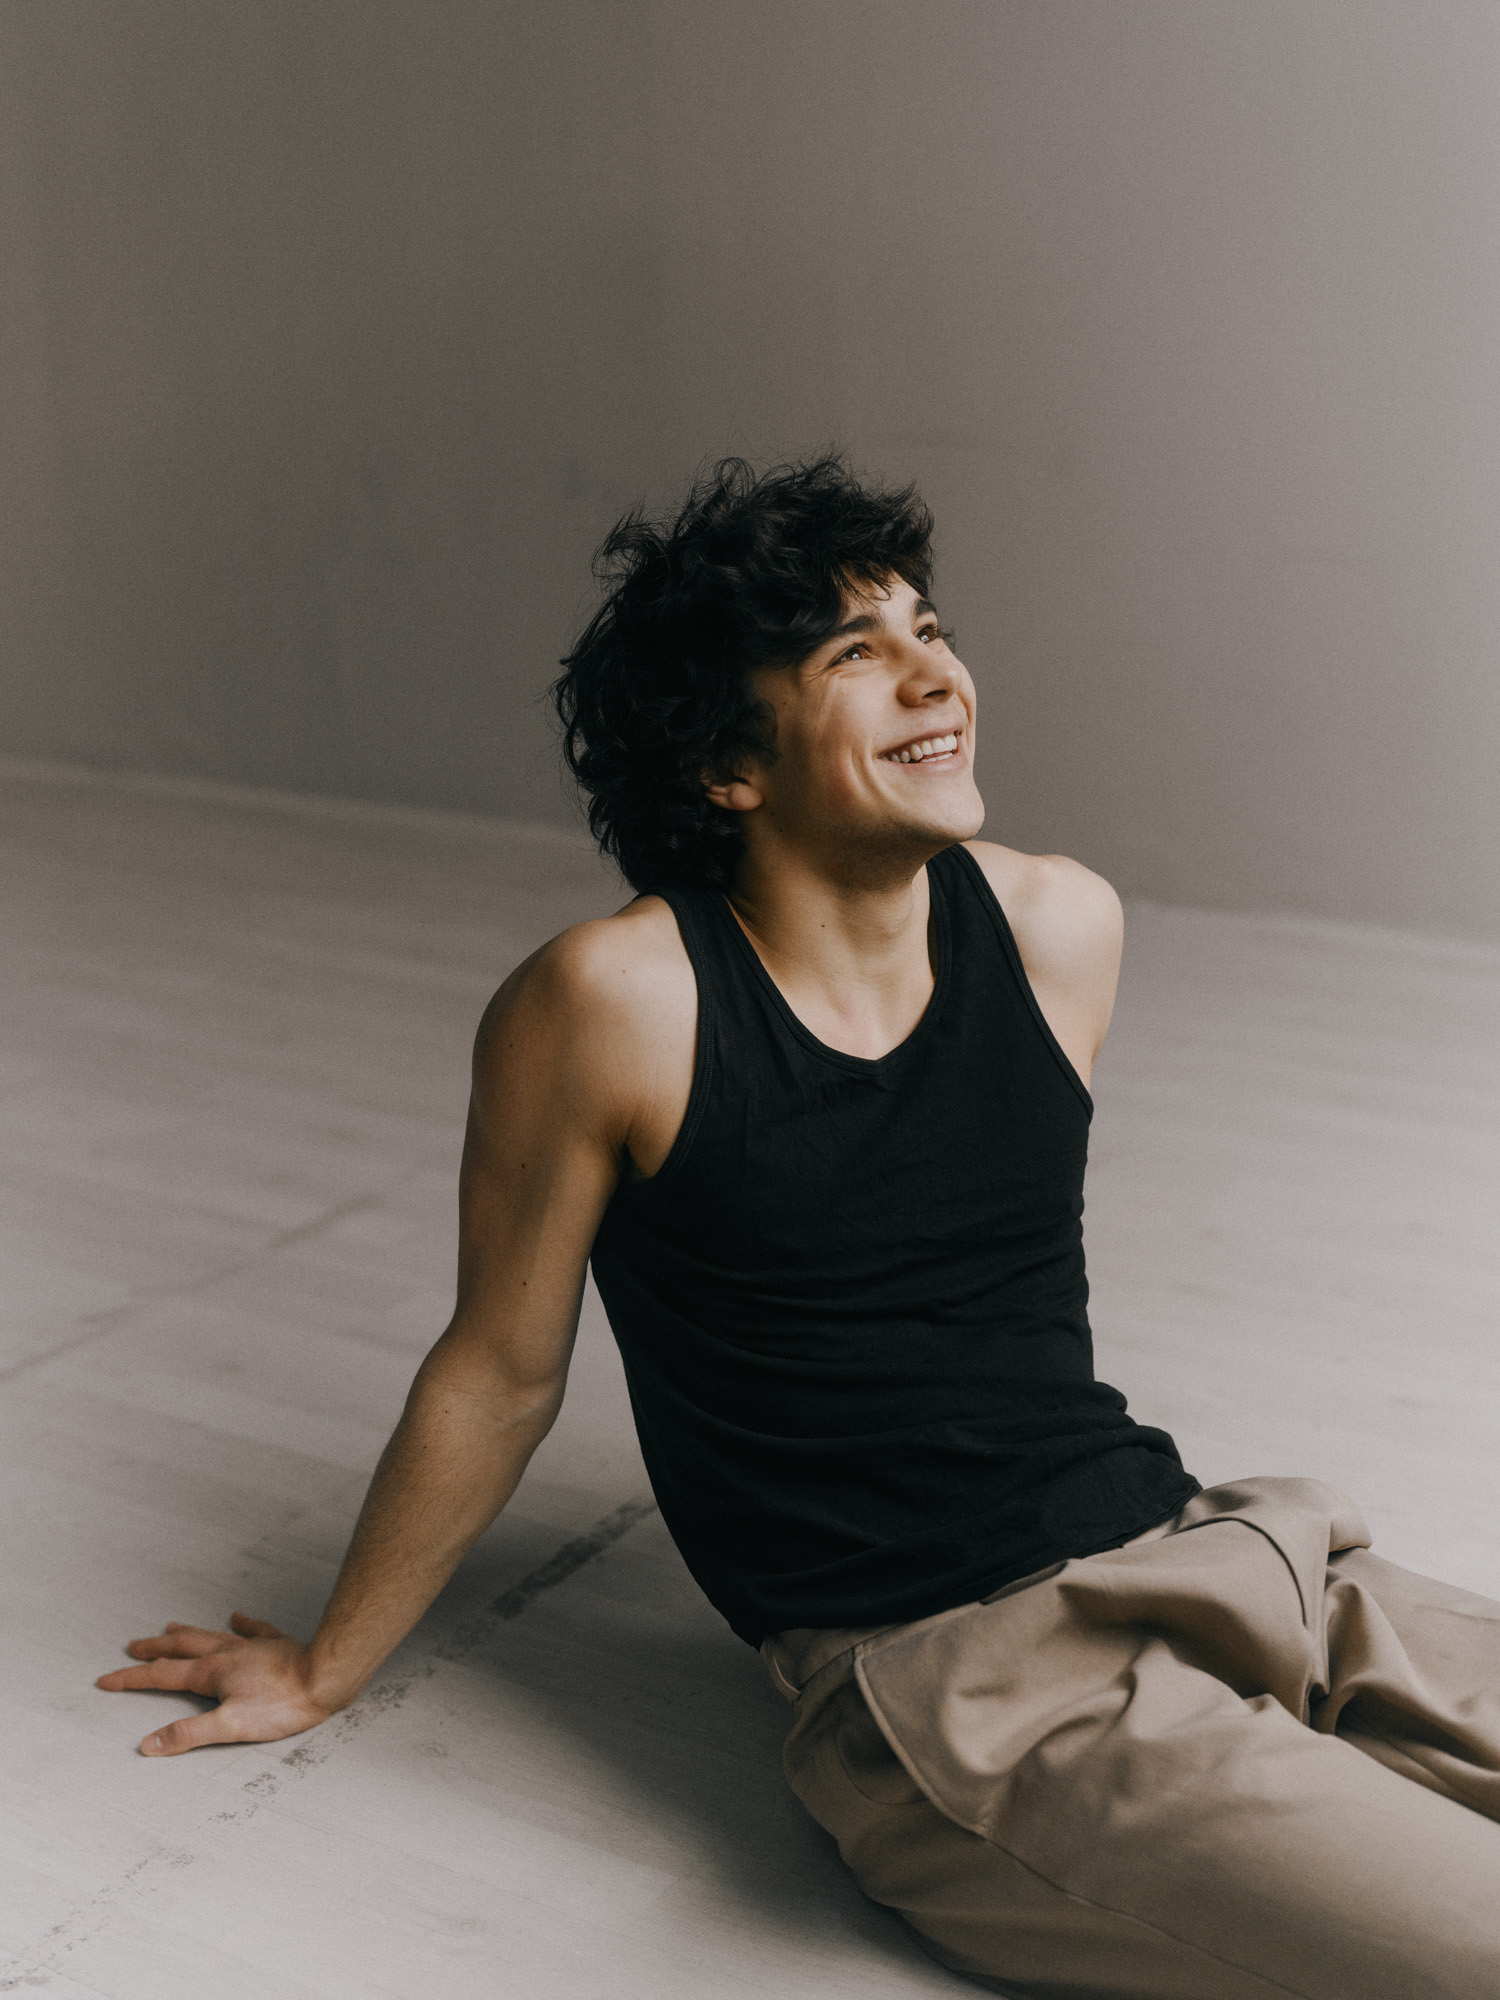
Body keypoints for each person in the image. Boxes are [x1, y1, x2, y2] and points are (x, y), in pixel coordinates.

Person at [99, 458, 1500, 1997]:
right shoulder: (615, 1004)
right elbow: (500, 1368)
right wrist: (322, 1665)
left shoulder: (1057, 924)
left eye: (930, 630)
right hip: (970, 1690)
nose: (934, 675)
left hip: (1216, 1544)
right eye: (856, 653)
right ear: (728, 764)